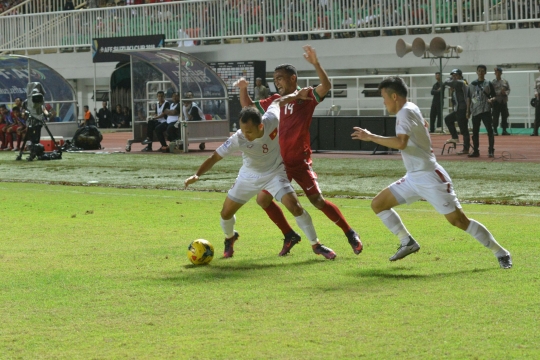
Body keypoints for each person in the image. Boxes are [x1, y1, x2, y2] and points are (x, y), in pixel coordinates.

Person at [351, 76, 512, 269]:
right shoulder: (411, 107)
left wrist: (370, 137)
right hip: (413, 177)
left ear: (394, 96)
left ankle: (501, 252)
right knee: (378, 204)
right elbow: (423, 125)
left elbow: (401, 142)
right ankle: (407, 242)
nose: (383, 102)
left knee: (459, 221)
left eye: (384, 97)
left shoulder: (404, 113)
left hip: (430, 176)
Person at [235, 45, 362, 257]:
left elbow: (326, 86)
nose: (277, 82)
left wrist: (316, 64)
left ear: (293, 78)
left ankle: (349, 233)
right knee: (262, 200)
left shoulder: (305, 96)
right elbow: (248, 107)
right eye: (275, 79)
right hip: (279, 165)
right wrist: (242, 88)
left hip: (300, 161)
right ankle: (289, 235)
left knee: (318, 202)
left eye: (281, 78)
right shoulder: (275, 102)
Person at [184, 90, 336, 260]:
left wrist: (296, 96)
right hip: (248, 177)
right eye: (242, 129)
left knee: (296, 207)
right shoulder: (238, 138)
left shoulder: (271, 120)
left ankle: (316, 245)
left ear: (261, 126)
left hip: (275, 173)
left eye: (249, 131)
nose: (245, 134)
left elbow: (278, 102)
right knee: (225, 214)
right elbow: (214, 157)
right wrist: (197, 175)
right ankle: (230, 238)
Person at [467, 65, 496, 158]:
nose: (480, 72)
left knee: (490, 130)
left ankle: (491, 150)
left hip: (486, 110)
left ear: (485, 72)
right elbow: (469, 98)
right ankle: (476, 150)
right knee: (475, 132)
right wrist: (468, 111)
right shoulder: (472, 84)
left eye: (482, 71)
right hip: (475, 111)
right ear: (476, 72)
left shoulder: (488, 83)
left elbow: (494, 96)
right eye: (479, 71)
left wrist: (491, 100)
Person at [442, 69, 470, 155]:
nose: (454, 77)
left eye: (456, 75)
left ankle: (466, 149)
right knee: (448, 119)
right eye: (453, 76)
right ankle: (455, 137)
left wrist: (468, 111)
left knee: (464, 130)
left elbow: (446, 82)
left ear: (460, 75)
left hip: (463, 109)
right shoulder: (456, 87)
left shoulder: (462, 82)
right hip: (457, 110)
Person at [491, 67, 510, 136]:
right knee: (495, 116)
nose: (497, 73)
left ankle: (504, 130)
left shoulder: (505, 81)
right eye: (496, 72)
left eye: (499, 72)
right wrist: (499, 92)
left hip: (503, 101)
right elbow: (492, 92)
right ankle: (495, 130)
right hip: (496, 101)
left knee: (504, 116)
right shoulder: (493, 82)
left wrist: (505, 92)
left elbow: (508, 89)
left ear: (501, 73)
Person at [531, 69, 540, 136]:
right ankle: (535, 131)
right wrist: (536, 93)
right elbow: (535, 88)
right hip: (539, 99)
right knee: (537, 116)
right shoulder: (537, 80)